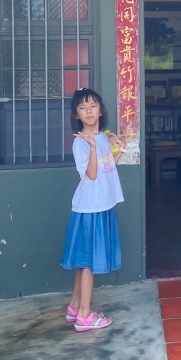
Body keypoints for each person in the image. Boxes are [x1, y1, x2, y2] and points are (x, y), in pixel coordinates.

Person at [61, 88, 126, 332]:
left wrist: (118, 147)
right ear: (76, 114)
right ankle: (85, 317)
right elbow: (91, 174)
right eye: (82, 107)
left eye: (93, 106)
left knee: (83, 261)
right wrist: (91, 148)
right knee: (87, 262)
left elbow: (108, 169)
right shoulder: (80, 142)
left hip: (103, 203)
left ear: (101, 110)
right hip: (90, 208)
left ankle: (75, 306)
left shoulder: (103, 137)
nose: (88, 111)